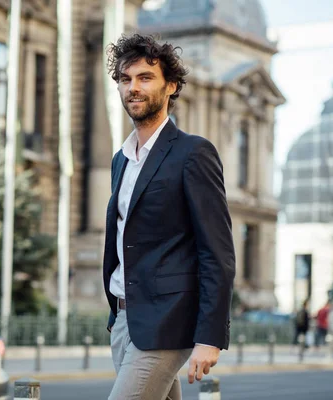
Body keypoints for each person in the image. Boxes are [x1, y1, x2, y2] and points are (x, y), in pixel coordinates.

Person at [102, 34, 236, 400]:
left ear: (170, 86)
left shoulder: (193, 153)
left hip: (167, 320)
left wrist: (209, 336)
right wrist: (116, 316)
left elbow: (217, 252)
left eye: (145, 77)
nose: (134, 87)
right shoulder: (121, 160)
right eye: (125, 79)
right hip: (125, 320)